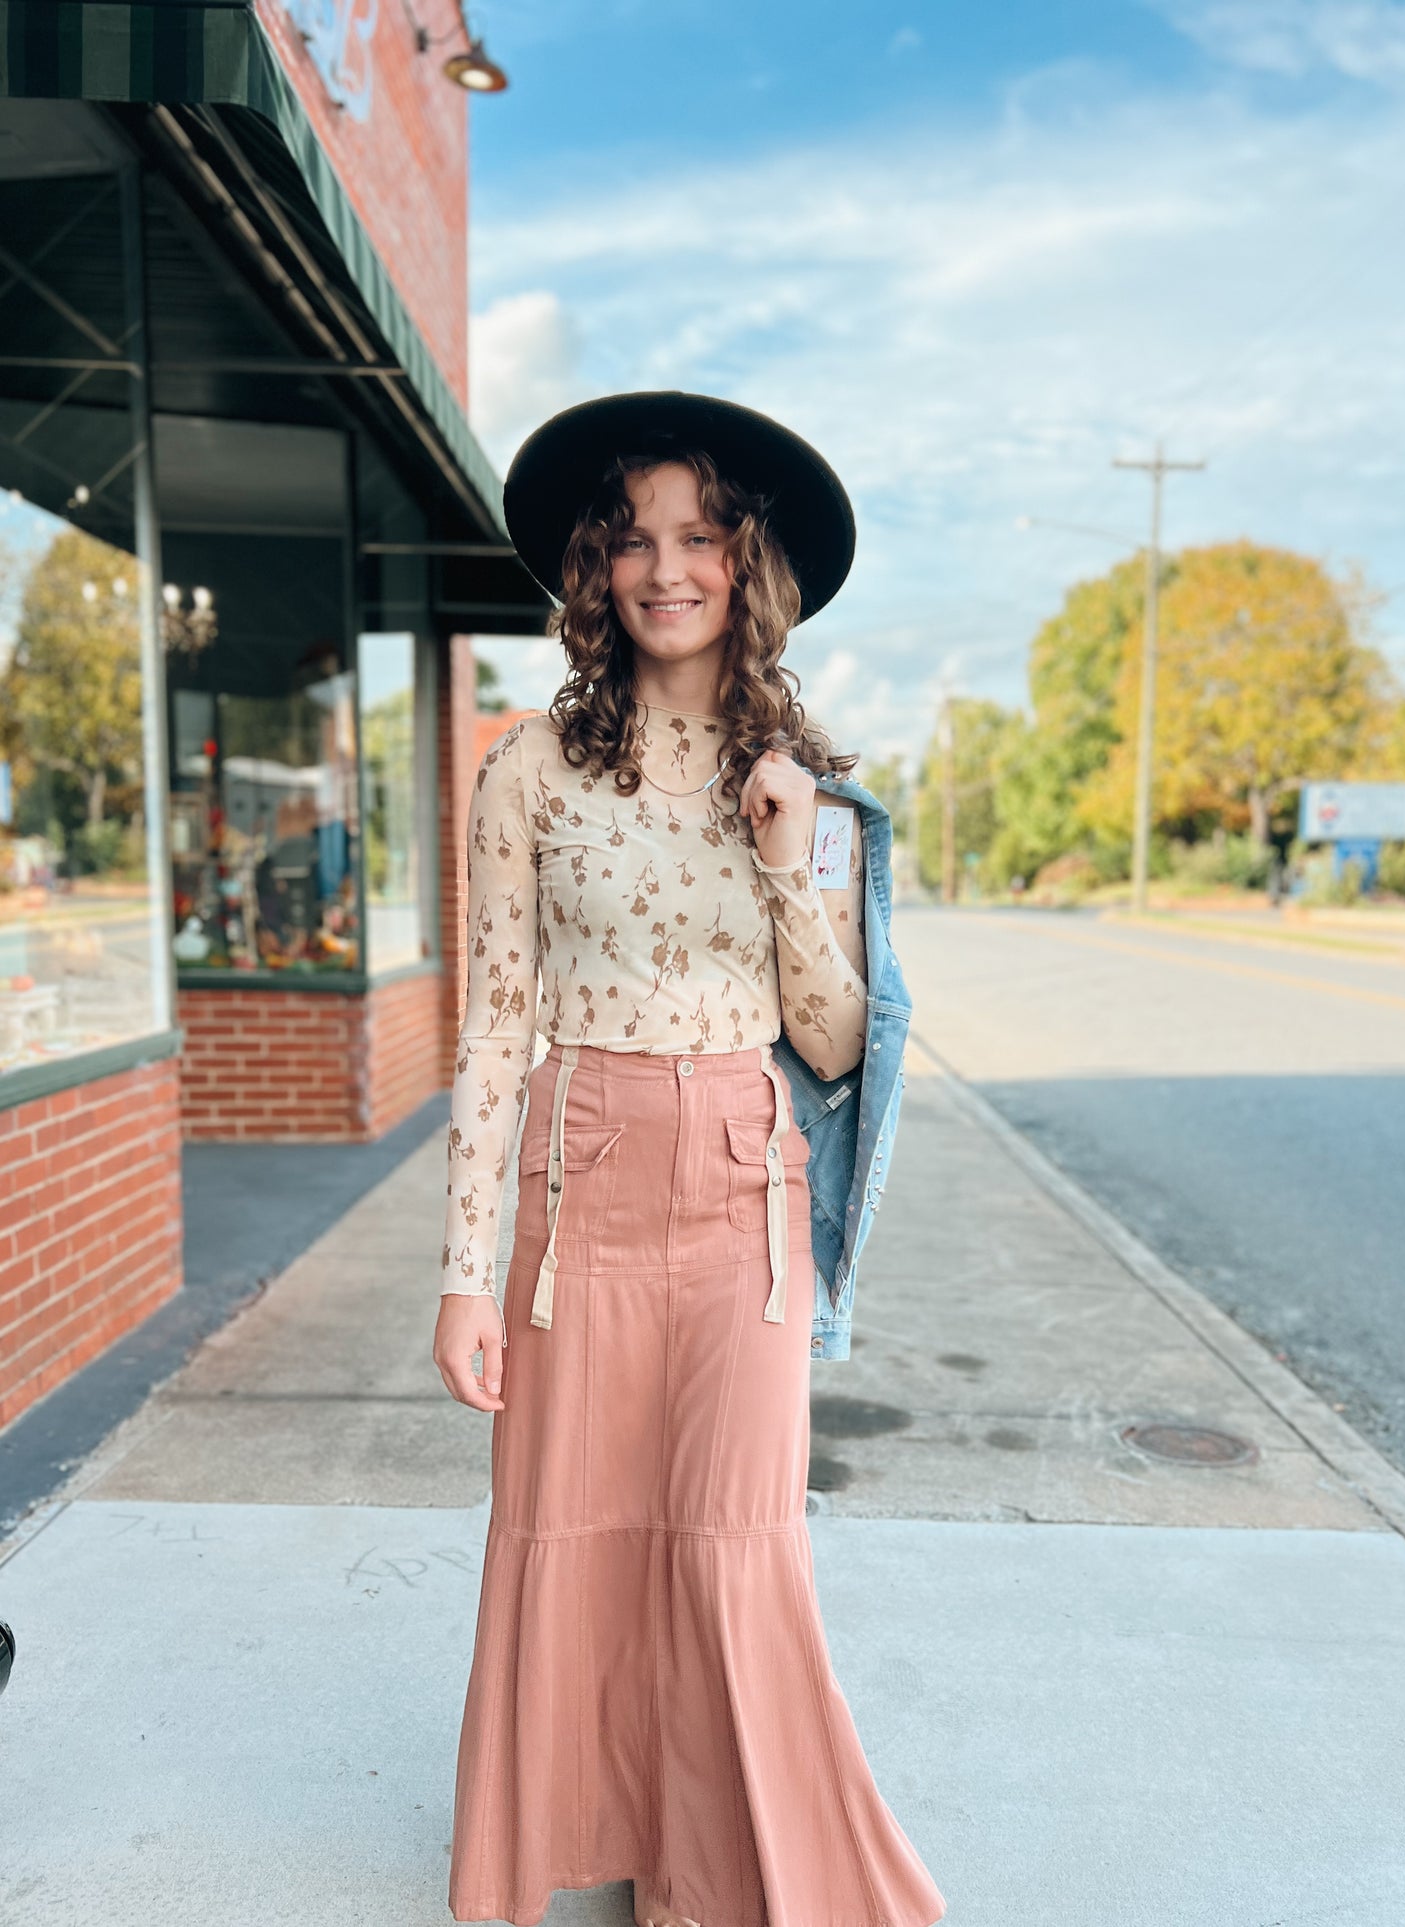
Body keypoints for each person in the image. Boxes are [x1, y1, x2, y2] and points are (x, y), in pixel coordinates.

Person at [433, 392, 945, 1927]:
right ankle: (584, 1837)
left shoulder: (806, 785)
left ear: (747, 562)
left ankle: (710, 1879)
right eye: (635, 539)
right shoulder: (526, 770)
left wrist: (789, 866)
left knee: (734, 1542)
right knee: (567, 1526)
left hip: (744, 1185)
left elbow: (843, 1047)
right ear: (595, 569)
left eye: (699, 536)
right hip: (576, 1175)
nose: (667, 569)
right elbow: (491, 1029)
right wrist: (464, 1278)